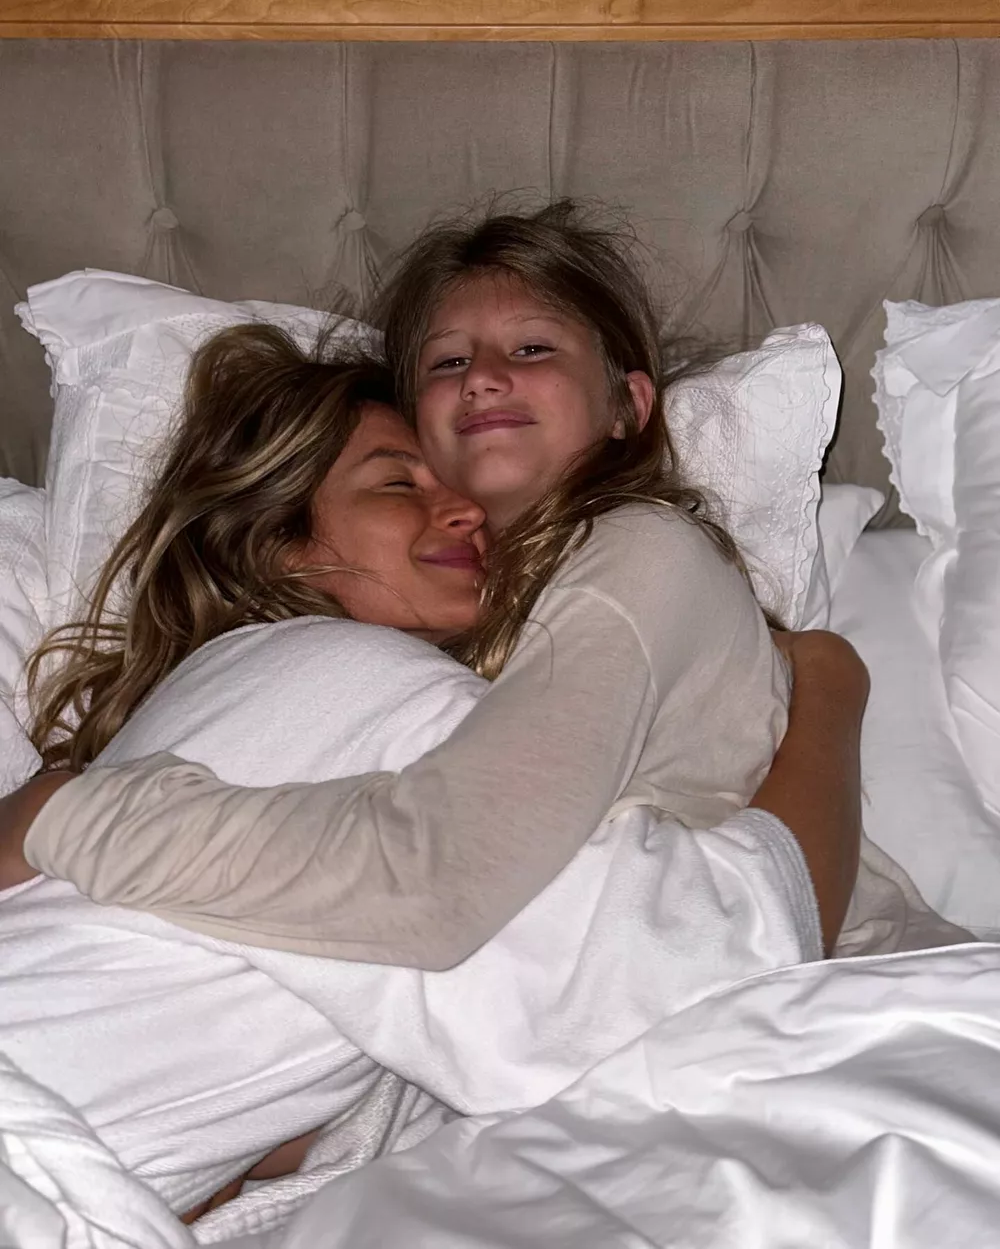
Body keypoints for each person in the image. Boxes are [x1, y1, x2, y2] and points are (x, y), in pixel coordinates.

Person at [0, 314, 833, 1239]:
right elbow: (694, 977)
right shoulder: (342, 675)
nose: (466, 512)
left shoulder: (234, 698)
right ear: (282, 542)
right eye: (399, 484)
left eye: (459, 489)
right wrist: (831, 696)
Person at [3, 200, 954, 967]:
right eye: (448, 361)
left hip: (821, 995)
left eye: (533, 349)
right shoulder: (419, 645)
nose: (485, 377)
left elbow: (442, 882)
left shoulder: (640, 550)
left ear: (628, 408)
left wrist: (65, 815)